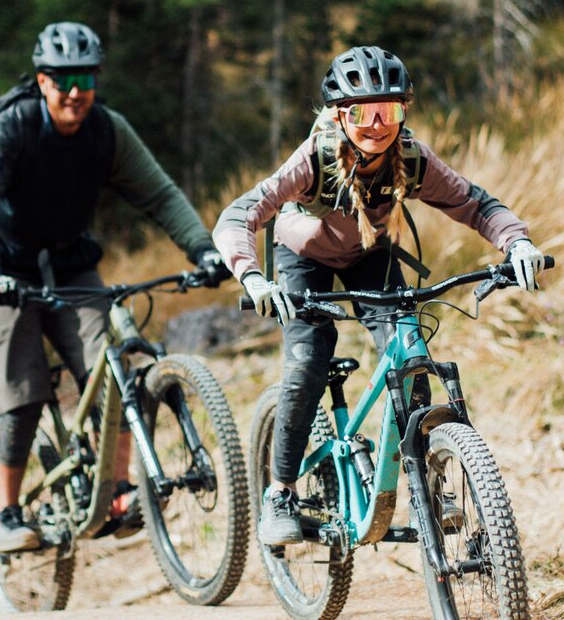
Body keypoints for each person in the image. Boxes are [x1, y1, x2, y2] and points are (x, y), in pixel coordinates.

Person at [210, 46, 545, 546]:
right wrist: (253, 277)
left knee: (411, 358)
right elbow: (241, 214)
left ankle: (430, 482)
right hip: (303, 259)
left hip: (371, 252)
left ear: (403, 112)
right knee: (307, 362)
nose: (375, 124)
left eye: (388, 111)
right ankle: (280, 491)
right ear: (340, 114)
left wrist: (517, 241)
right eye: (361, 112)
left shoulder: (409, 156)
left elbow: (474, 203)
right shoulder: (315, 158)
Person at [0, 21, 228, 553]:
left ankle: (121, 492)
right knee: (22, 387)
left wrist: (203, 248)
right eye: (63, 80)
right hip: (3, 269)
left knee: (110, 372)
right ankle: (5, 517)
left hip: (70, 266)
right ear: (42, 82)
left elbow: (159, 193)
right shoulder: (13, 127)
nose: (75, 92)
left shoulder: (107, 131)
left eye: (85, 78)